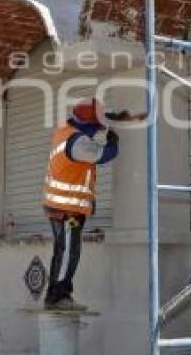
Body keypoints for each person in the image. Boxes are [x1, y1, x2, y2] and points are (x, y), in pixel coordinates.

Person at [41, 98, 142, 311]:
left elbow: (96, 119)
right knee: (68, 251)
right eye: (97, 125)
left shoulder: (65, 131)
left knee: (63, 250)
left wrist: (120, 117)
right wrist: (113, 140)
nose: (98, 129)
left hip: (58, 205)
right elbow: (106, 154)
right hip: (67, 209)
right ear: (89, 123)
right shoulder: (78, 143)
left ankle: (56, 294)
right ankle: (58, 297)